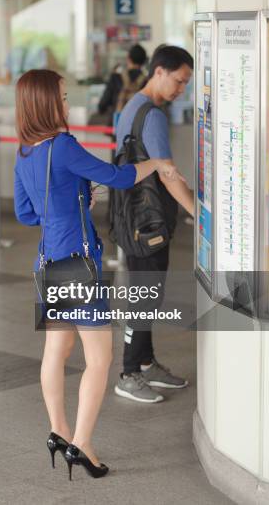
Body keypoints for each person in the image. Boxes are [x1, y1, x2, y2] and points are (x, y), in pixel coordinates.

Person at [14, 69, 183, 479]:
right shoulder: (63, 145)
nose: (68, 103)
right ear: (45, 104)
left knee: (55, 353)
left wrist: (70, 205)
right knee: (100, 358)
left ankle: (57, 431)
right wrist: (157, 162)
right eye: (63, 96)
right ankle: (83, 443)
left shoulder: (25, 151)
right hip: (78, 261)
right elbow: (119, 176)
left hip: (49, 260)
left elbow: (26, 213)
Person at [114, 44, 195, 403]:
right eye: (178, 81)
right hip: (149, 223)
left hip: (132, 218)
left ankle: (146, 363)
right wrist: (196, 210)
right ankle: (129, 372)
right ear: (158, 71)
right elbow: (167, 174)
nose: (181, 89)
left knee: (147, 292)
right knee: (144, 296)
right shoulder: (153, 115)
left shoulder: (132, 106)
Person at [96, 44, 148, 125]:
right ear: (144, 61)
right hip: (139, 127)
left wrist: (101, 110)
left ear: (128, 59)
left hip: (117, 125)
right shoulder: (147, 81)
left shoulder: (116, 78)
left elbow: (103, 104)